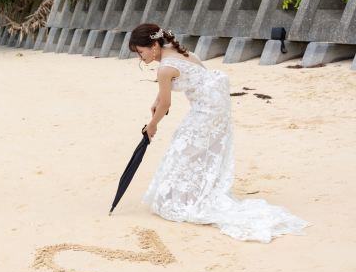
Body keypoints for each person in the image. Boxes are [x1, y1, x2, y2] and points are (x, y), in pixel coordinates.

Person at [128, 23, 309, 243]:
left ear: (154, 45)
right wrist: (157, 100)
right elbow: (171, 89)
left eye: (140, 52)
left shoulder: (164, 67)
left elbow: (166, 103)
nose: (140, 58)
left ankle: (190, 197)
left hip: (208, 110)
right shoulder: (178, 51)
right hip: (216, 106)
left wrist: (152, 125)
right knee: (185, 149)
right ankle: (192, 192)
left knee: (182, 149)